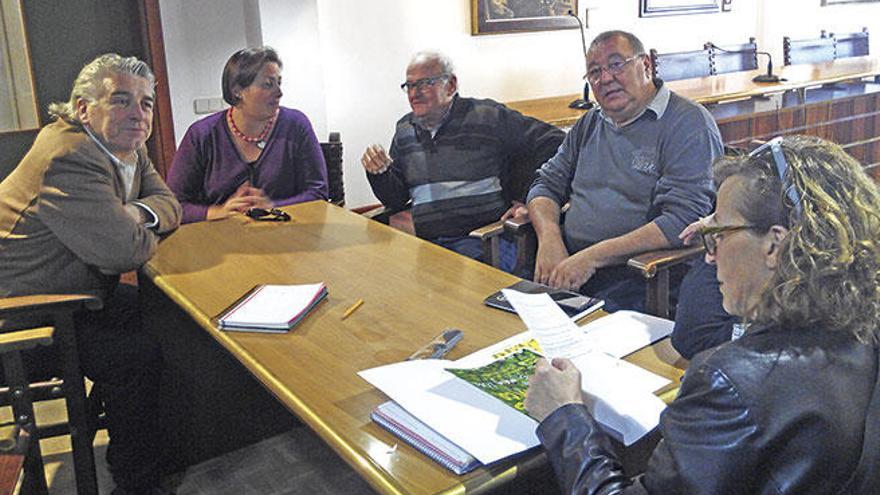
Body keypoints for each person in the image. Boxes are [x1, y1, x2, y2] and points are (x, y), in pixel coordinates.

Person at [525, 135, 880, 494]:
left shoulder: (729, 381)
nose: (709, 256)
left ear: (775, 244)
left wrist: (565, 417)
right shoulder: (863, 331)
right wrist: (721, 228)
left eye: (718, 234)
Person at [0, 54, 181, 494]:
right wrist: (130, 227)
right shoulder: (70, 154)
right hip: (23, 319)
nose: (138, 114)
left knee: (172, 320)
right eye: (121, 100)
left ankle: (177, 448)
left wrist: (131, 212)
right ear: (83, 108)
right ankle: (136, 481)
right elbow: (125, 251)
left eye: (145, 103)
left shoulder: (126, 146)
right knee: (137, 357)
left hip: (71, 289)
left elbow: (169, 204)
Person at [524, 30, 722, 311]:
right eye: (594, 72)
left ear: (646, 65)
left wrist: (592, 258)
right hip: (569, 266)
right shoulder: (590, 122)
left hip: (640, 276)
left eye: (616, 64)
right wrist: (549, 239)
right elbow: (545, 185)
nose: (605, 78)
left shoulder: (688, 124)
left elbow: (681, 222)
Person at [361, 51, 564, 273]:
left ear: (450, 85)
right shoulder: (404, 129)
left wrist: (530, 199)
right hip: (424, 243)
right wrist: (379, 172)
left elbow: (555, 143)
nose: (414, 94)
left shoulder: (487, 116)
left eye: (424, 84)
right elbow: (397, 199)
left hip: (482, 240)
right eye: (409, 86)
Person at [167, 47, 328, 224]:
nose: (279, 92)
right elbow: (172, 206)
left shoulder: (296, 125)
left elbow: (317, 192)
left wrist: (273, 207)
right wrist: (218, 212)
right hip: (219, 242)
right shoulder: (201, 135)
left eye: (279, 83)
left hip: (289, 237)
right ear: (238, 91)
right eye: (268, 84)